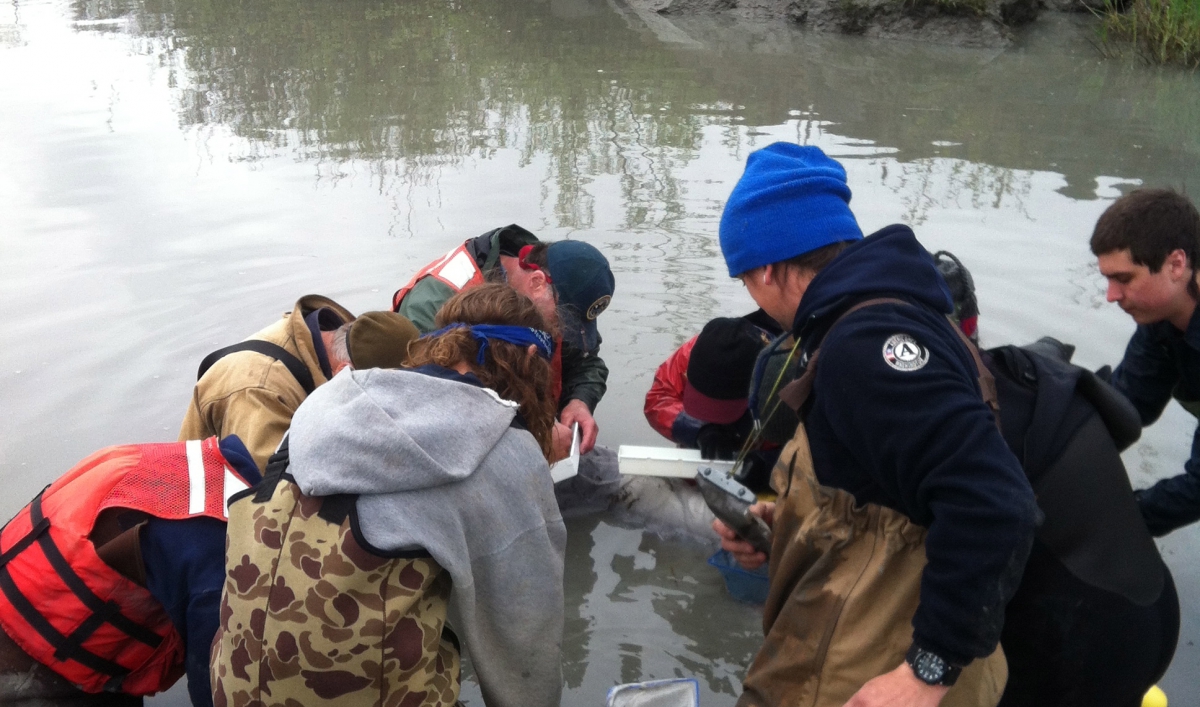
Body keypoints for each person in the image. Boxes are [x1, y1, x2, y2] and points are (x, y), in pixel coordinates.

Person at [712, 142, 1038, 707]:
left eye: (745, 280)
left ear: (767, 265)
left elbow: (996, 503)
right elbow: (888, 494)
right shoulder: (887, 314)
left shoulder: (865, 347)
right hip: (858, 634)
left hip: (873, 668)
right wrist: (787, 525)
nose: (755, 300)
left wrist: (924, 673)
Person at [211, 284, 565, 707]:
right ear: (530, 359)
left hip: (233, 683)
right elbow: (525, 634)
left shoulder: (326, 402)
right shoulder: (507, 449)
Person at [0, 436, 260, 707]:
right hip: (29, 662)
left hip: (25, 591)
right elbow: (216, 684)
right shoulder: (226, 548)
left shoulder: (204, 460)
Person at [391, 224, 615, 454]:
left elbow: (585, 362)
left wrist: (579, 400)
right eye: (560, 321)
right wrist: (530, 443)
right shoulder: (432, 307)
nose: (561, 333)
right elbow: (423, 416)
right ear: (537, 282)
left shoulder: (554, 279)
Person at [179, 295, 419, 472]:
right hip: (222, 523)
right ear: (344, 372)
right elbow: (270, 498)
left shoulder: (351, 341)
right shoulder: (257, 391)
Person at [1092, 188, 1200, 536]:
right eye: (1108, 279)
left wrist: (1110, 521)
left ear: (1176, 264)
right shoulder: (1163, 320)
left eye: (1123, 279)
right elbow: (1125, 407)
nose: (1111, 296)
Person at [643, 312, 781, 492]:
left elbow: (812, 442)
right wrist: (699, 430)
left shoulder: (785, 374)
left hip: (765, 474)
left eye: (722, 410)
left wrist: (769, 466)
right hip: (695, 468)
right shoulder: (697, 351)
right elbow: (658, 399)